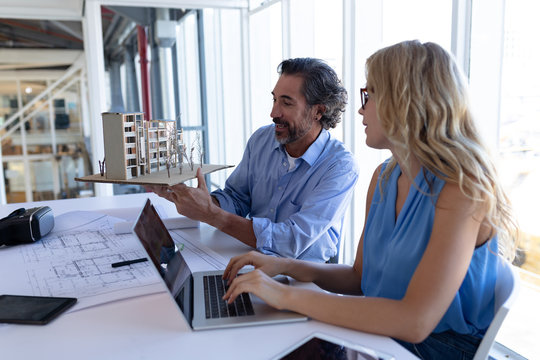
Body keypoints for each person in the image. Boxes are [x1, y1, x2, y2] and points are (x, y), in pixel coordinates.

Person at [222, 41, 517, 359]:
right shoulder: (385, 177)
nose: (361, 109)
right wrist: (284, 266)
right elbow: (358, 278)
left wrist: (283, 295)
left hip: (432, 348)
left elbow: (415, 321)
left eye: (369, 96)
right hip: (385, 335)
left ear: (404, 102)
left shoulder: (461, 190)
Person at [150, 58, 358, 262]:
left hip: (303, 278)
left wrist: (212, 214)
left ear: (318, 111)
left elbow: (291, 241)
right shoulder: (262, 140)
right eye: (274, 99)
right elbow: (238, 198)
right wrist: (190, 199)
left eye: (286, 103)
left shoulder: (340, 167)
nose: (273, 112)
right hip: (251, 259)